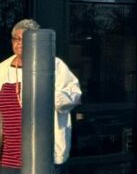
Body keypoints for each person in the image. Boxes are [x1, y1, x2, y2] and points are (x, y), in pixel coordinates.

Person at [0, 19, 82, 174]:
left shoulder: (54, 65)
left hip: (41, 156)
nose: (19, 43)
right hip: (7, 159)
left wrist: (43, 93)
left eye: (24, 39)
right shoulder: (2, 69)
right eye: (16, 39)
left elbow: (75, 96)